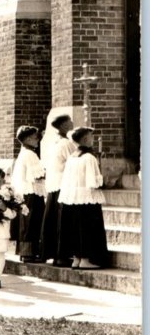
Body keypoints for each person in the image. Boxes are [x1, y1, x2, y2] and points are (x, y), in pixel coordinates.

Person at [57, 127, 109, 269]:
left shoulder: (72, 157)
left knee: (75, 228)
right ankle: (86, 259)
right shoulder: (89, 158)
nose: (93, 140)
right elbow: (93, 182)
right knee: (87, 229)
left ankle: (77, 258)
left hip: (72, 198)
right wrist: (103, 182)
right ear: (85, 139)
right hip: (87, 198)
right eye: (91, 137)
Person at [39, 114, 77, 266]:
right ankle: (62, 255)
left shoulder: (53, 142)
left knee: (55, 221)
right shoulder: (66, 144)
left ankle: (55, 253)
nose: (72, 124)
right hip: (63, 185)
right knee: (63, 222)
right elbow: (73, 163)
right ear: (63, 126)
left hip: (54, 186)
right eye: (69, 122)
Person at [12, 125, 46, 262]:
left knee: (27, 223)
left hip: (25, 192)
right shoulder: (30, 154)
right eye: (34, 137)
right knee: (31, 222)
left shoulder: (23, 153)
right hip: (31, 192)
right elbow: (37, 175)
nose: (37, 140)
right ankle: (29, 253)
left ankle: (26, 252)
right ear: (26, 139)